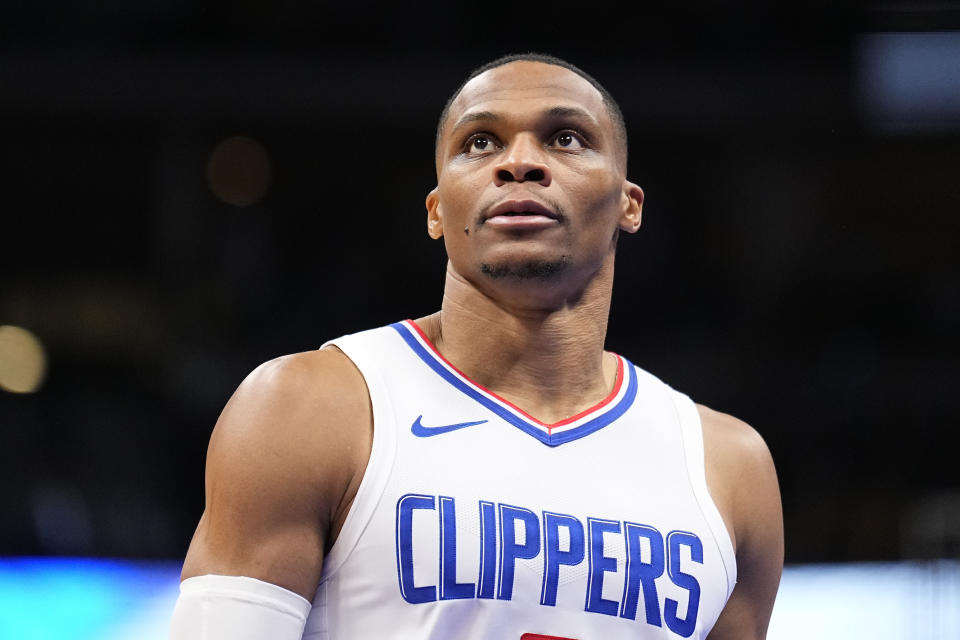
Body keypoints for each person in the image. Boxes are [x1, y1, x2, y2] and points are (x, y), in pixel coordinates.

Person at [169, 53, 783, 640]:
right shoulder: (306, 408)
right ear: (436, 209)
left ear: (629, 204)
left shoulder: (728, 468)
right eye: (480, 142)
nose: (519, 163)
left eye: (566, 138)